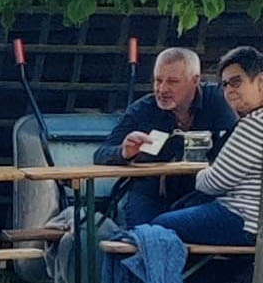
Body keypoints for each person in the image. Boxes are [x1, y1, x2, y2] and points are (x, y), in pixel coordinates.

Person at [150, 47, 263, 283]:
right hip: (252, 221)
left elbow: (215, 181)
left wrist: (200, 172)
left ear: (260, 82)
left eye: (236, 82)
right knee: (199, 261)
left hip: (241, 219)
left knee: (158, 228)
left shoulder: (253, 126)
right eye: (225, 85)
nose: (229, 92)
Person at [94, 47, 237, 225]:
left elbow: (237, 144)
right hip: (150, 194)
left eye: (172, 82)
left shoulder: (218, 103)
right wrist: (124, 152)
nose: (162, 89)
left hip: (202, 194)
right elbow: (100, 154)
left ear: (195, 80)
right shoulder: (142, 109)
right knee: (144, 237)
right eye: (158, 80)